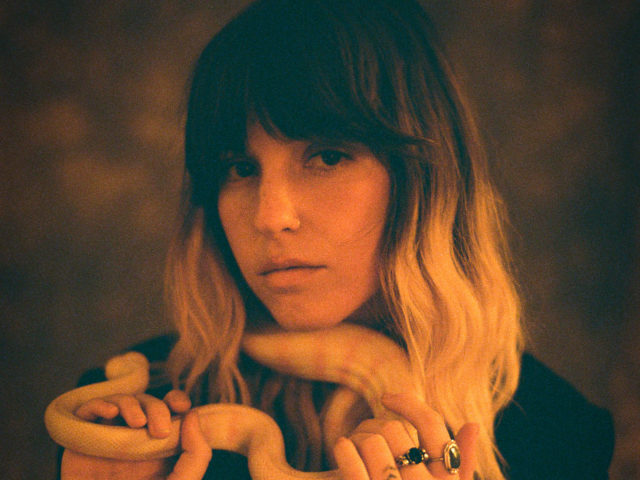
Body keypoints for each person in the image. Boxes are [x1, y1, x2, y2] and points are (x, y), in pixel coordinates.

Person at [58, 0, 615, 479]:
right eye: (239, 168)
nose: (270, 217)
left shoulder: (558, 434)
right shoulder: (127, 424)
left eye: (326, 157)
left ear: (422, 183)